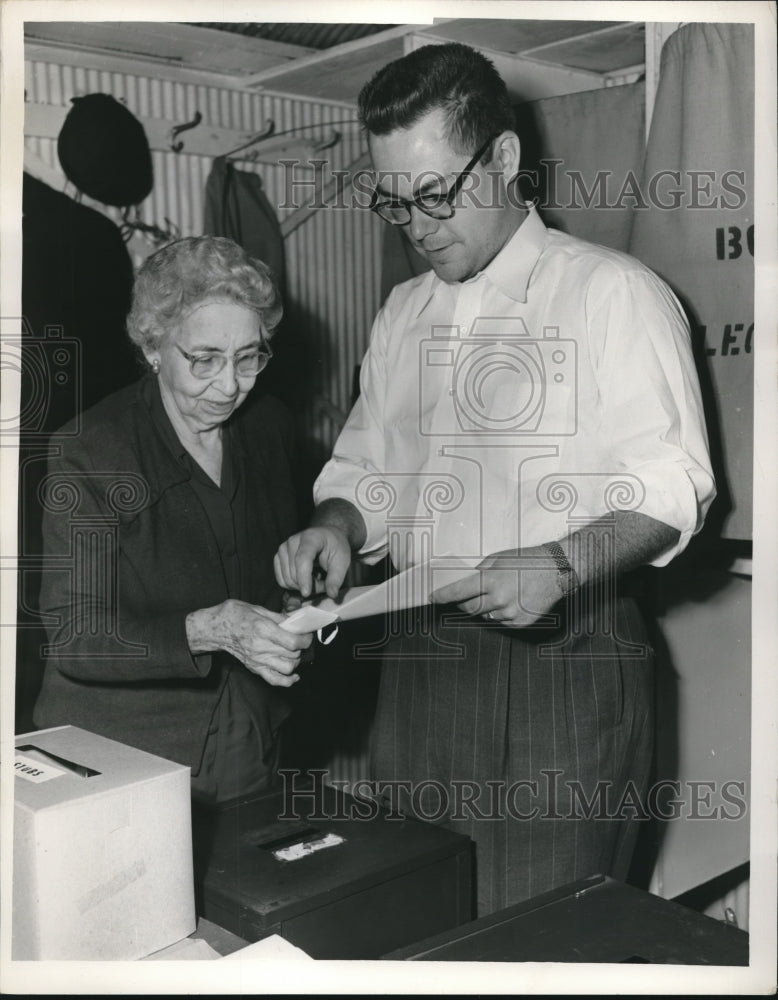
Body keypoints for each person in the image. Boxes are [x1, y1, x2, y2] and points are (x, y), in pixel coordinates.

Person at [274, 43, 716, 915]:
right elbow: (364, 470)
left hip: (566, 662)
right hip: (417, 661)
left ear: (505, 159)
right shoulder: (403, 314)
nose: (418, 225)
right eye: (394, 202)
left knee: (540, 938)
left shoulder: (612, 295)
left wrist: (560, 561)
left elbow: (673, 486)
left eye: (435, 194)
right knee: (415, 914)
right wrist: (336, 525)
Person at [34, 236, 313, 804]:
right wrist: (210, 629)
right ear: (155, 347)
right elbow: (73, 634)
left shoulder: (269, 428)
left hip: (246, 733)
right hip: (121, 753)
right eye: (205, 359)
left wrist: (298, 605)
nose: (231, 385)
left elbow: (270, 571)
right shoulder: (89, 450)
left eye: (249, 356)